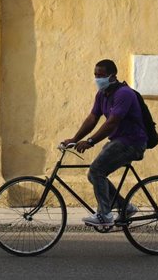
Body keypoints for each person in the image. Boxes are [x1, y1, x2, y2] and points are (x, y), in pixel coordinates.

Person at [61, 59, 147, 227]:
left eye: (101, 75)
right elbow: (92, 118)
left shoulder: (124, 94)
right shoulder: (102, 94)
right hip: (118, 141)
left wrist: (91, 141)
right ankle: (124, 207)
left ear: (112, 76)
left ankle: (105, 214)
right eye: (95, 75)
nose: (97, 78)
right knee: (95, 174)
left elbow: (112, 122)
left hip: (132, 142)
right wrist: (74, 139)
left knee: (96, 171)